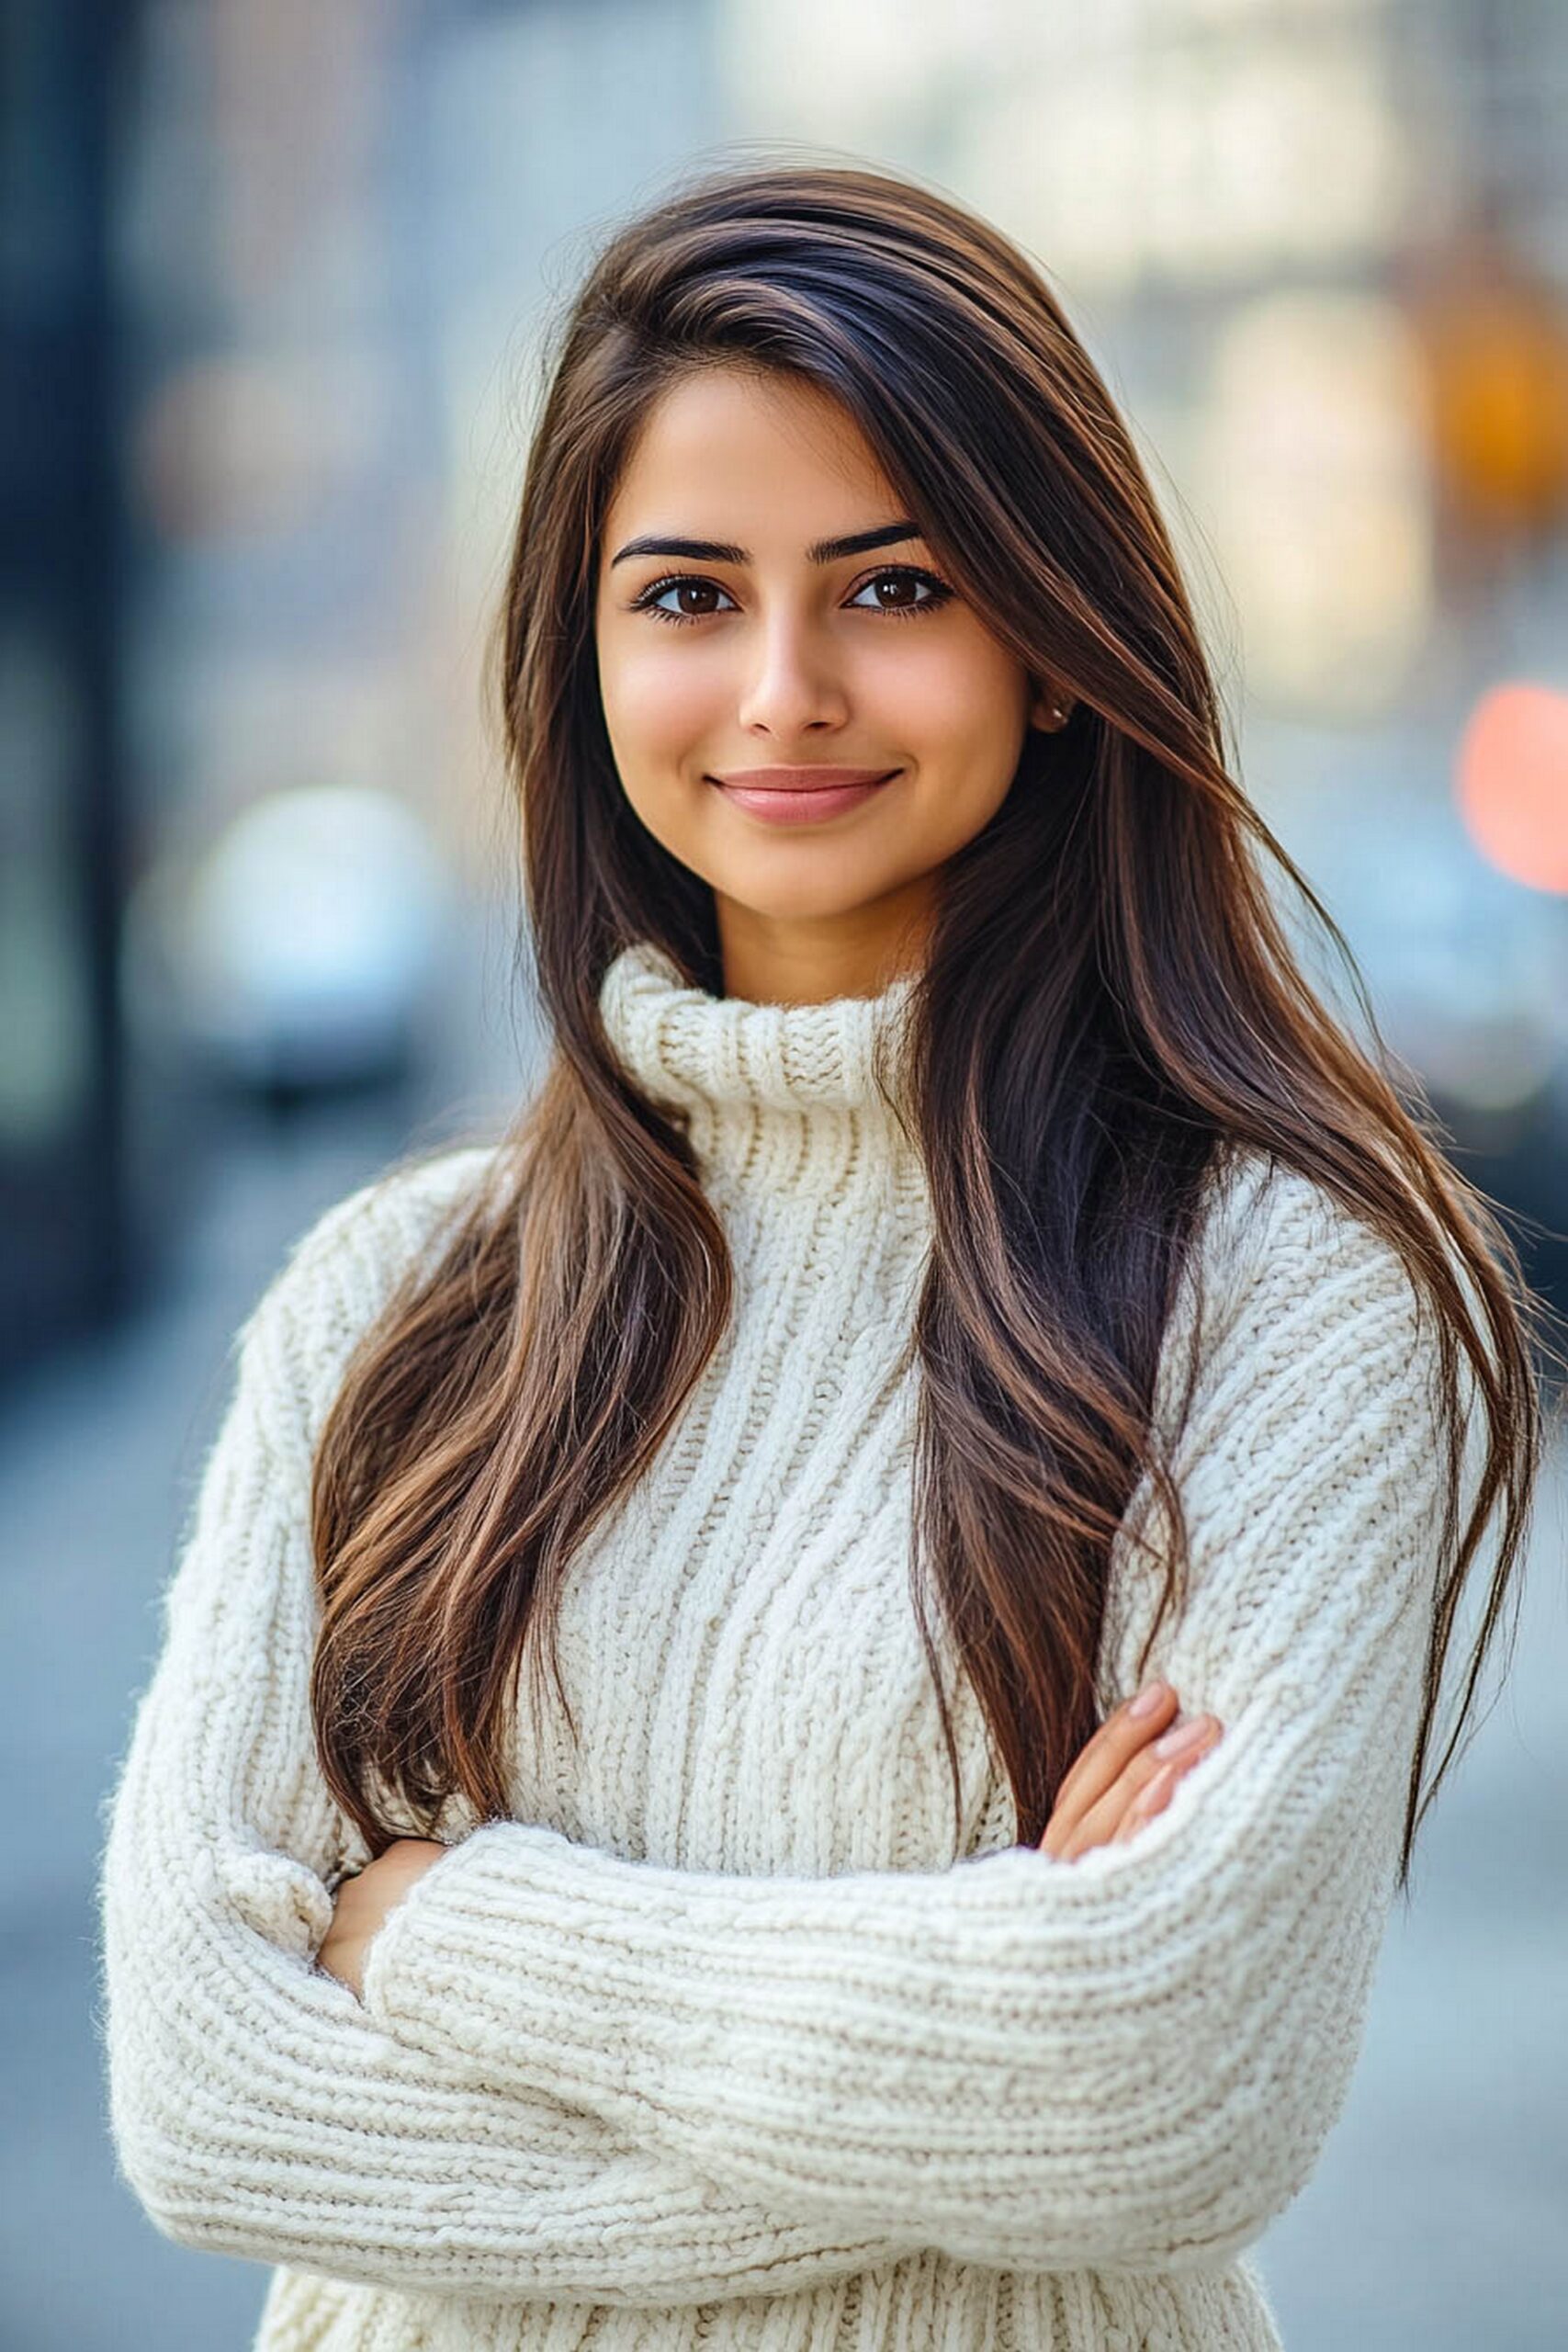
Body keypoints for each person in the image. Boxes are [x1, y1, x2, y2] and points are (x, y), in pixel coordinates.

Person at [99, 159, 1555, 2352]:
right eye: (684, 597)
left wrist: (437, 1927)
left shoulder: (1287, 1281)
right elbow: (208, 2097)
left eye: (890, 586)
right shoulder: (393, 1296)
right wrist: (954, 2059)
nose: (780, 688)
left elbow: (1151, 2088)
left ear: (1053, 642)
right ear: (580, 659)